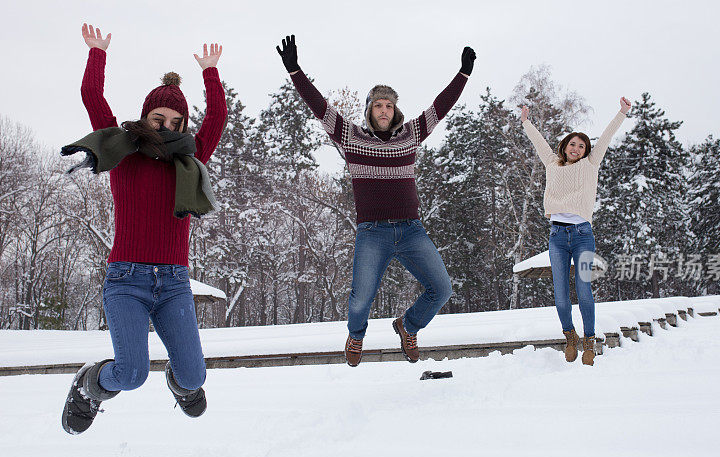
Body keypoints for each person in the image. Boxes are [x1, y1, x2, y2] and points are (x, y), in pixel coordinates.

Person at [61, 23, 228, 435]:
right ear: (145, 116)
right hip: (126, 281)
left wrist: (210, 72)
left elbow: (218, 118)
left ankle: (181, 381)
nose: (166, 127)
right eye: (159, 118)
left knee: (194, 377)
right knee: (132, 374)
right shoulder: (123, 150)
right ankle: (90, 386)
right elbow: (92, 98)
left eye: (176, 121)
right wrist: (97, 53)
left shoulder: (190, 158)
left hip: (173, 283)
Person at [276, 35, 476, 367]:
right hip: (373, 233)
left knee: (441, 289)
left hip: (411, 230)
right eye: (378, 105)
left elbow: (441, 106)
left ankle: (408, 326)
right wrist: (295, 70)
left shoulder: (410, 134)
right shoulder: (350, 137)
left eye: (389, 105)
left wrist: (463, 74)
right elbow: (319, 106)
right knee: (359, 302)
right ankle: (356, 337)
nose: (384, 110)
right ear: (369, 109)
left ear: (395, 110)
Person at [520, 97, 631, 365]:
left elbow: (605, 137)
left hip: (582, 235)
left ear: (586, 151)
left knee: (583, 291)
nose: (577, 148)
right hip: (557, 237)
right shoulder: (552, 164)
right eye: (573, 144)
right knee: (560, 295)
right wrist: (525, 122)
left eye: (582, 146)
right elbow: (539, 143)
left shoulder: (590, 165)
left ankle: (589, 340)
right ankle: (570, 336)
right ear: (565, 146)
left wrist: (622, 113)